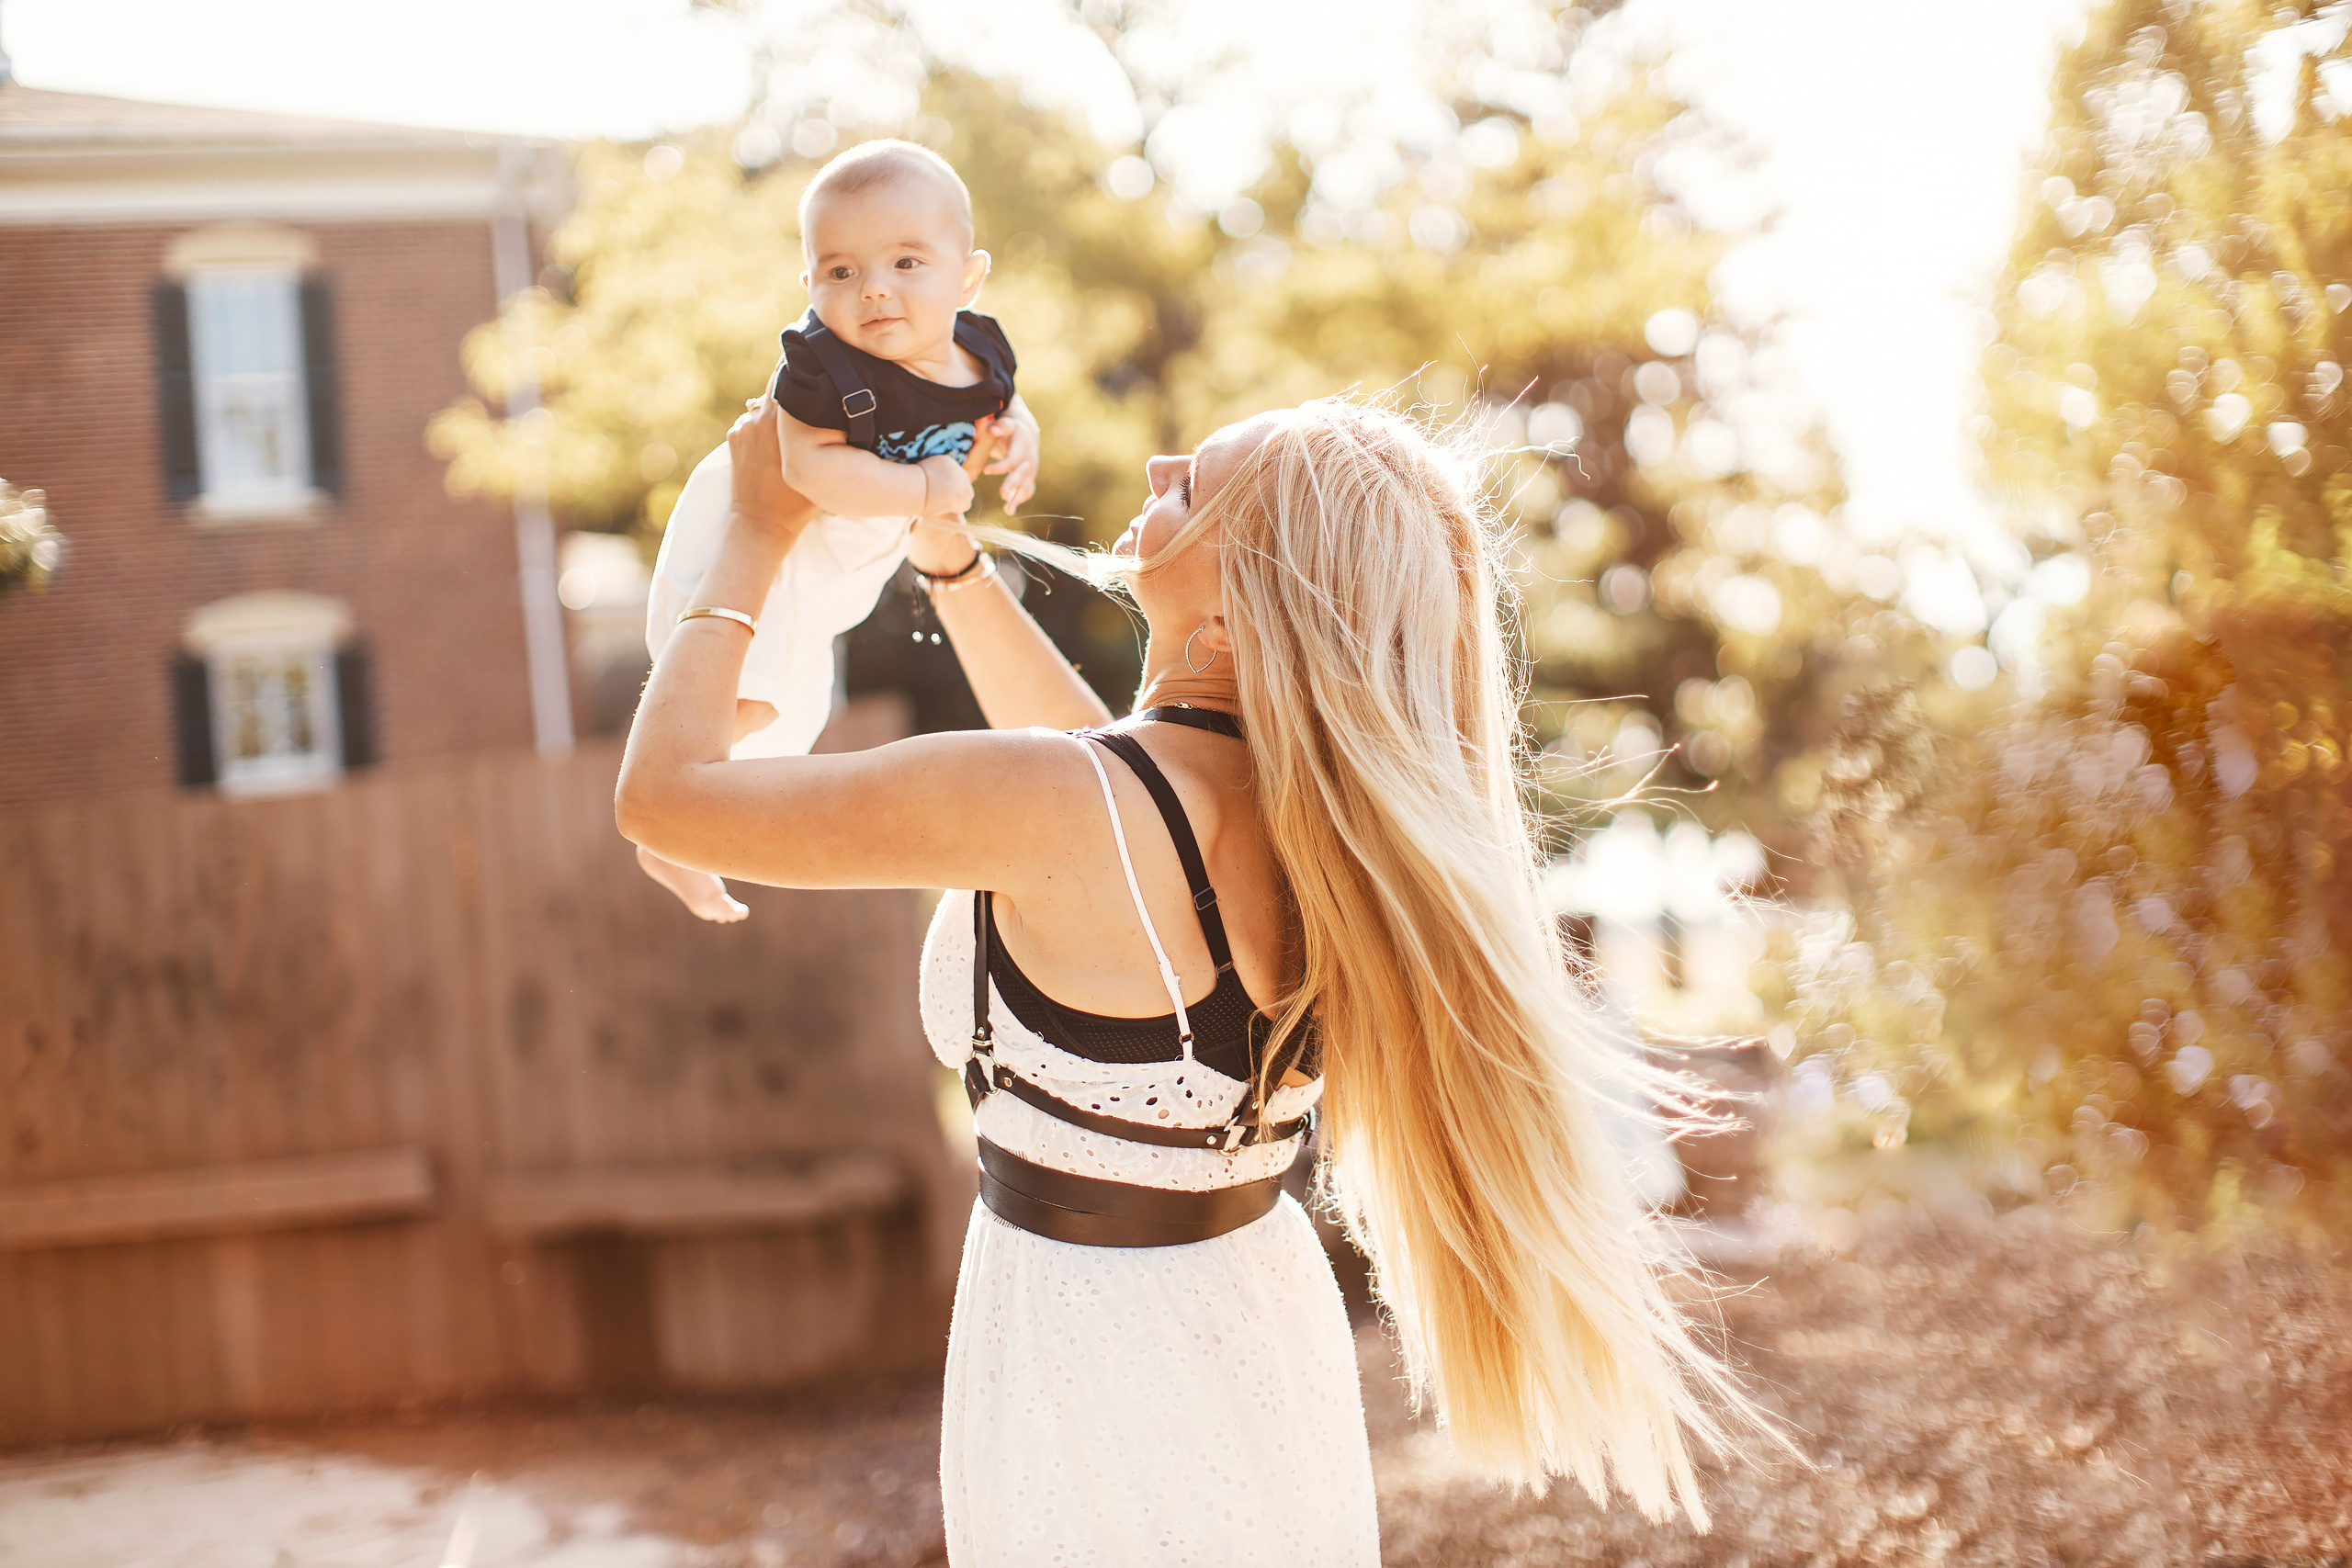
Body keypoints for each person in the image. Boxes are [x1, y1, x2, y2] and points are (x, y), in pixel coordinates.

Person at [616, 391, 1761, 1564]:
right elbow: (1090, 774)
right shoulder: (1308, 822)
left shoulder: (1083, 809)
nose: (1158, 460)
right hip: (1243, 1323)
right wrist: (945, 556)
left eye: (1193, 484)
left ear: (1236, 596)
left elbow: (661, 800)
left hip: (1093, 1360)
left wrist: (754, 528)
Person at [638, 137, 1039, 921]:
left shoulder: (980, 346)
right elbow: (807, 469)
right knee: (754, 694)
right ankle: (674, 810)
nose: (874, 292)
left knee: (798, 710)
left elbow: (1003, 400)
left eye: (906, 264)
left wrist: (1022, 431)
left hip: (844, 564)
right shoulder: (822, 369)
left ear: (968, 275)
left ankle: (689, 828)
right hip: (767, 546)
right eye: (841, 272)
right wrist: (926, 484)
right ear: (810, 282)